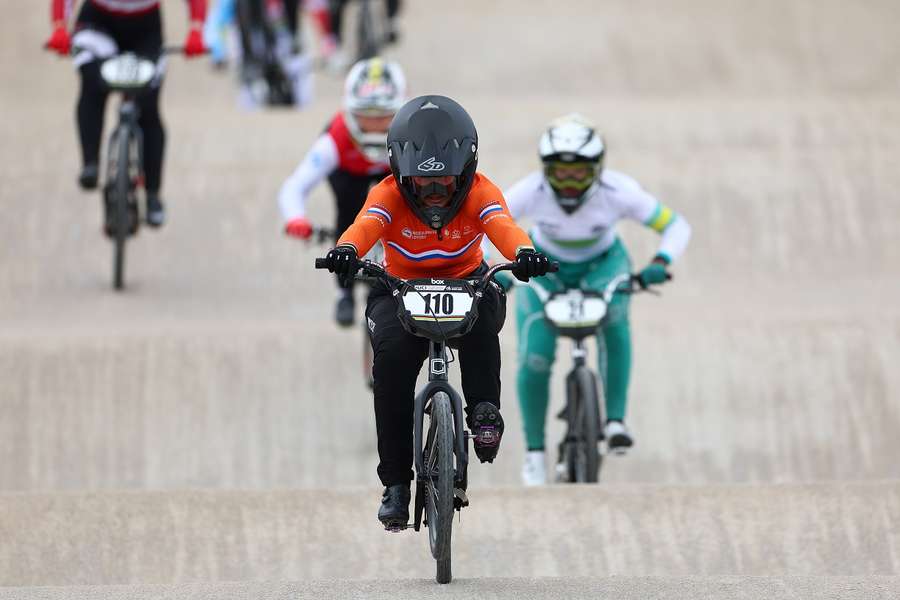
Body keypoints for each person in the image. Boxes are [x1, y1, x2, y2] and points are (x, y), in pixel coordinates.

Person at [319, 95, 553, 528]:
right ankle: (395, 485)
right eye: (421, 184)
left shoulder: (482, 190)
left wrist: (524, 253)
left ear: (465, 173)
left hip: (467, 281)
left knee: (485, 322)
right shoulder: (386, 193)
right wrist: (347, 249)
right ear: (400, 176)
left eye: (444, 183)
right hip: (400, 288)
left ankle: (484, 408)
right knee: (389, 368)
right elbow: (365, 224)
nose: (432, 195)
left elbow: (503, 224)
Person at [502, 114, 691, 486]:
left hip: (604, 263)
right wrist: (502, 271)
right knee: (534, 355)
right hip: (544, 264)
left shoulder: (620, 191)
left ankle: (616, 420)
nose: (569, 184)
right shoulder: (529, 191)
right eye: (559, 174)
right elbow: (482, 225)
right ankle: (534, 454)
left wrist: (660, 261)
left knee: (616, 324)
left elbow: (676, 225)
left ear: (598, 170)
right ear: (545, 171)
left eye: (579, 174)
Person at [45, 0, 207, 228]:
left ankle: (152, 194)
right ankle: (90, 162)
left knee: (148, 108)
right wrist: (60, 26)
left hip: (145, 29)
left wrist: (197, 29)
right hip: (98, 23)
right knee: (92, 85)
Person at [279, 57, 405, 326]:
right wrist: (296, 219)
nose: (374, 126)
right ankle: (343, 291)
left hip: (391, 172)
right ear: (349, 111)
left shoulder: (410, 132)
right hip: (348, 174)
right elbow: (295, 186)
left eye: (383, 117)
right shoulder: (334, 139)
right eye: (366, 116)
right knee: (348, 212)